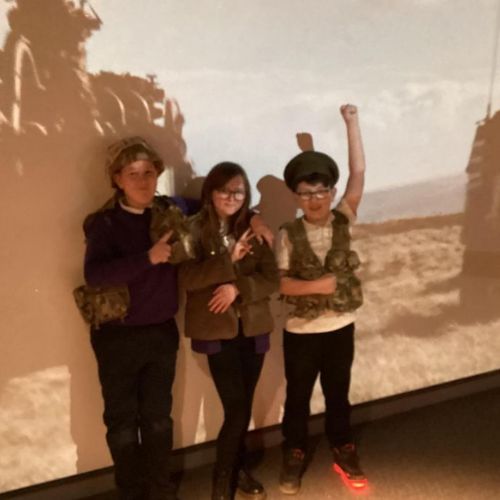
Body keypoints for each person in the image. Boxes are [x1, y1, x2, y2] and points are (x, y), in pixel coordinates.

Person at [81, 136, 197, 500]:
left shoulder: (170, 211)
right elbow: (95, 275)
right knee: (121, 423)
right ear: (117, 179)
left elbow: (216, 203)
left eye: (149, 172)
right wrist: (148, 258)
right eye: (133, 173)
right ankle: (131, 493)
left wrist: (253, 217)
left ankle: (161, 491)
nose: (143, 180)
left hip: (161, 332)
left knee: (159, 419)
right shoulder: (104, 223)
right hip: (117, 337)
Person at [275, 104, 367, 494]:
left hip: (340, 328)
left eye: (322, 191)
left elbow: (358, 174)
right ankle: (294, 452)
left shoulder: (344, 218)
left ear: (331, 192)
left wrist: (351, 123)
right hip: (301, 332)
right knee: (298, 397)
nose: (315, 200)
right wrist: (319, 286)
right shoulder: (287, 234)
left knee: (338, 393)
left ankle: (343, 448)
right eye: (306, 193)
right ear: (296, 197)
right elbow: (282, 284)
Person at [180, 162, 280, 500]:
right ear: (210, 192)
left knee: (242, 407)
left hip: (253, 329)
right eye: (224, 190)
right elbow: (186, 278)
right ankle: (221, 485)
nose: (231, 197)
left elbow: (271, 279)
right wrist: (228, 259)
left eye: (238, 191)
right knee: (237, 410)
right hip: (217, 332)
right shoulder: (193, 229)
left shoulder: (253, 228)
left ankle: (238, 472)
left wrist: (237, 288)